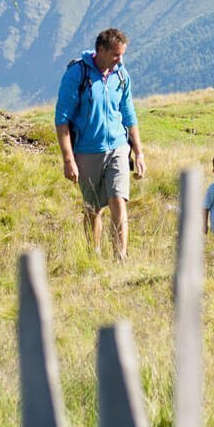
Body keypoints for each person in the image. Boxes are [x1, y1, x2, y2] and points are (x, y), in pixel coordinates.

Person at [54, 28, 145, 260]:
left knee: (119, 199)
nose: (120, 59)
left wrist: (139, 153)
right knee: (93, 208)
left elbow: (129, 115)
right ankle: (93, 255)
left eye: (122, 54)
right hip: (87, 151)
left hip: (118, 147)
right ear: (101, 51)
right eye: (116, 54)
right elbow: (62, 119)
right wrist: (68, 160)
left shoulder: (121, 75)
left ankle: (120, 257)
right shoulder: (78, 74)